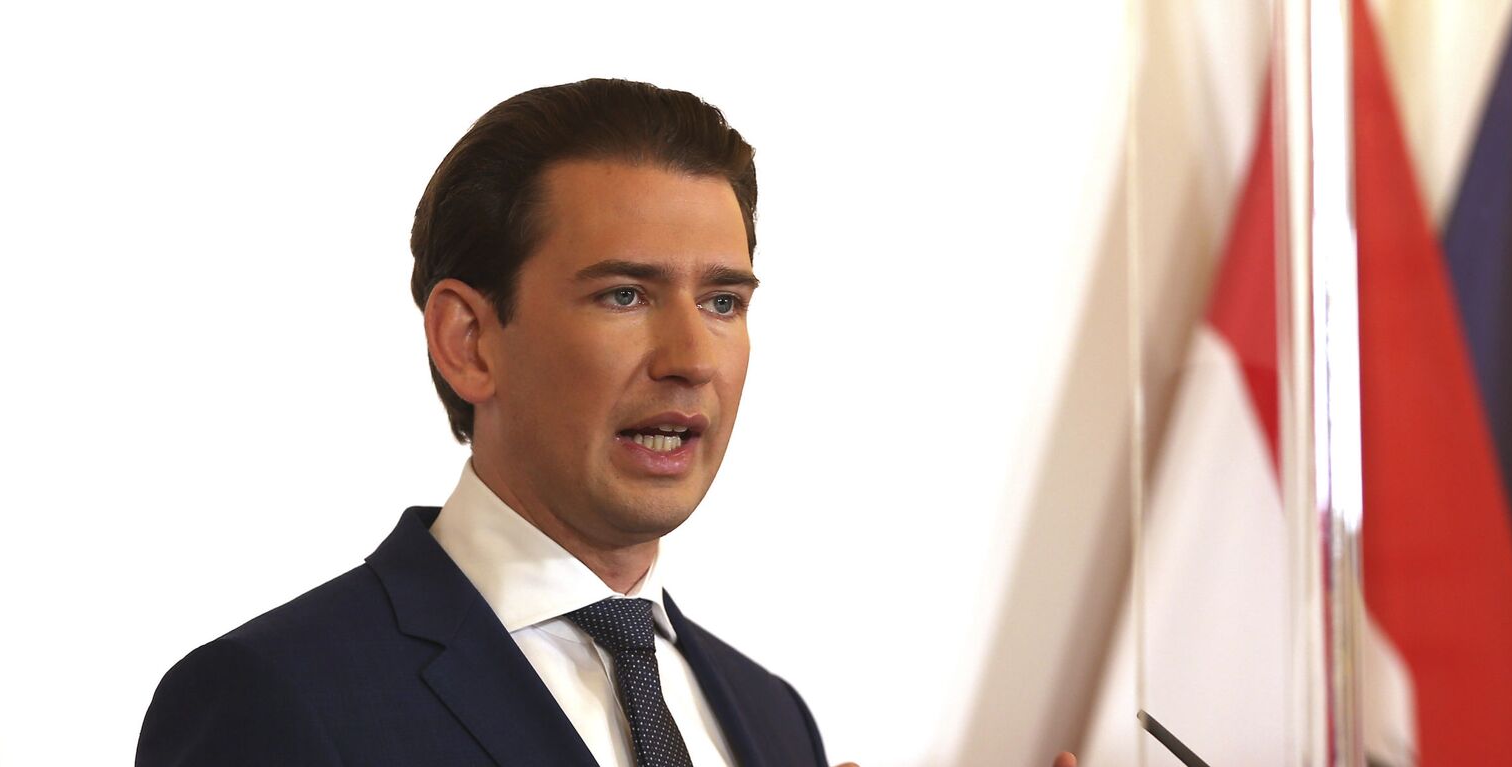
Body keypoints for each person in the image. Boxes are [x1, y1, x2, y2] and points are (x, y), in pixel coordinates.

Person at [136, 78, 1078, 767]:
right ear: (468, 340)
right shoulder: (277, 700)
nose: (691, 357)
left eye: (722, 301)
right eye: (625, 294)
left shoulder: (774, 720)